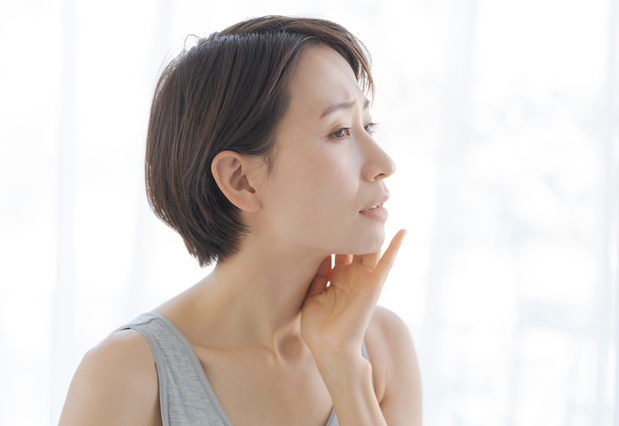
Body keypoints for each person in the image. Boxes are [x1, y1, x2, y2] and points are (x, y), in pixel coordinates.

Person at [59, 15, 422, 426]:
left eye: (368, 125)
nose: (384, 163)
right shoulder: (127, 375)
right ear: (240, 180)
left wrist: (343, 365)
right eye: (340, 131)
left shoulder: (382, 347)